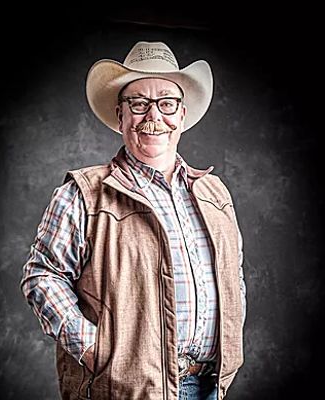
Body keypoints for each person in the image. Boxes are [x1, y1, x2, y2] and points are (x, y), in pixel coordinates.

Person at [20, 41, 246, 400]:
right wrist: (98, 352)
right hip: (124, 390)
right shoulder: (84, 193)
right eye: (139, 103)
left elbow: (233, 275)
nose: (153, 116)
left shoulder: (214, 193)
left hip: (209, 386)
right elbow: (42, 276)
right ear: (121, 116)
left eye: (167, 102)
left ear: (182, 114)